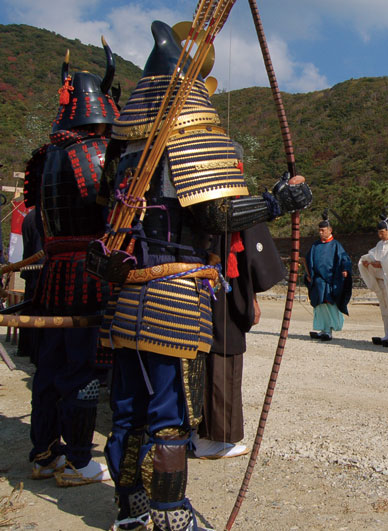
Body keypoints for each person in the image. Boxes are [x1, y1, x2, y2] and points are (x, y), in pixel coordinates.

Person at [98, 21, 311, 531]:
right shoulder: (180, 132)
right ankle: (170, 514)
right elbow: (215, 216)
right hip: (170, 295)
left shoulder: (124, 148)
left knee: (128, 407)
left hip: (126, 295)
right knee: (170, 411)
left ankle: (131, 510)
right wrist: (276, 202)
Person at [22, 44, 117, 486]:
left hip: (52, 275)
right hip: (88, 276)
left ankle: (44, 454)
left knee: (49, 367)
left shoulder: (45, 156)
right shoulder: (101, 153)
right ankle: (79, 460)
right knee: (83, 370)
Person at [193, 223, 286, 458]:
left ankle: (189, 431)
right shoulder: (227, 197)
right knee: (222, 342)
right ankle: (210, 436)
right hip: (215, 282)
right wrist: (250, 294)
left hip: (184, 275)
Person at [358, 213, 388, 347]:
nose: (380, 235)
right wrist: (368, 261)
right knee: (384, 309)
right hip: (380, 280)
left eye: (382, 232)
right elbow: (372, 255)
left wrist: (382, 263)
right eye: (379, 232)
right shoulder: (380, 244)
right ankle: (387, 334)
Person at [305, 211, 352, 341]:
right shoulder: (315, 245)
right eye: (319, 230)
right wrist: (308, 275)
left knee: (329, 304)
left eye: (323, 230)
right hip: (318, 281)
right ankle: (322, 329)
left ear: (330, 230)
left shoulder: (336, 245)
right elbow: (308, 261)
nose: (320, 232)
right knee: (319, 305)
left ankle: (329, 330)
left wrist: (345, 269)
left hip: (330, 281)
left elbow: (344, 258)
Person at [17, 206, 43, 361]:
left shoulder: (29, 216)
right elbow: (39, 251)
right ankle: (31, 348)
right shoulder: (38, 217)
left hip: (30, 271)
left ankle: (25, 347)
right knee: (33, 310)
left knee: (28, 307)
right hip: (37, 271)